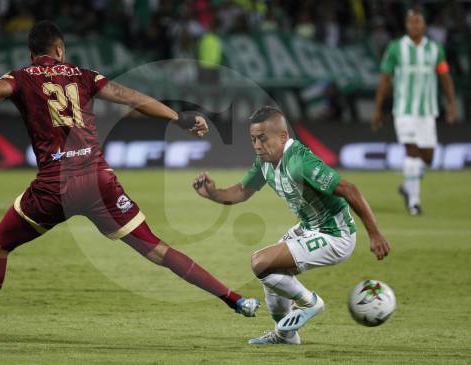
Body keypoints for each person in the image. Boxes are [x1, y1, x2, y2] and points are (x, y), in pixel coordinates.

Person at [0, 21, 259, 347]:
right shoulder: (83, 75)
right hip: (98, 179)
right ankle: (234, 298)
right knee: (156, 249)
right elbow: (129, 97)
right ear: (59, 49)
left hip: (55, 186)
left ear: (32, 55)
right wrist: (179, 118)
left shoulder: (21, 78)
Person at [193, 106, 391, 345]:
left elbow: (349, 189)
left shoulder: (300, 162)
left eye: (263, 138)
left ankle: (310, 302)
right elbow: (242, 191)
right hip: (309, 227)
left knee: (260, 262)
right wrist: (213, 193)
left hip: (335, 235)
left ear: (283, 136)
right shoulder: (264, 162)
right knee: (271, 275)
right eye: (253, 139)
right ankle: (286, 335)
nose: (257, 145)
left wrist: (375, 234)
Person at [372, 8, 456, 216]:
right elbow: (384, 79)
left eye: (418, 22)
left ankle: (408, 186)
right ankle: (414, 203)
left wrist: (451, 104)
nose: (415, 26)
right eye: (411, 23)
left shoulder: (436, 49)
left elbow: (444, 77)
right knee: (411, 151)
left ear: (424, 25)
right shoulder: (395, 48)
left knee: (429, 157)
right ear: (407, 25)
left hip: (427, 111)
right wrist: (378, 109)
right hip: (404, 110)